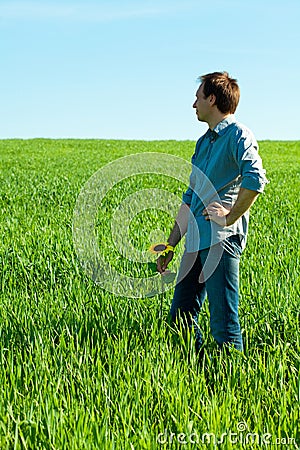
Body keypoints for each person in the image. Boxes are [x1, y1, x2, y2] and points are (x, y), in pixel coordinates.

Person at [156, 71, 268, 354]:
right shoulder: (203, 143)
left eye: (197, 98)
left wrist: (230, 216)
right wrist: (171, 244)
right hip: (195, 244)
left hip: (220, 240)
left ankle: (232, 387)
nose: (194, 105)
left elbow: (255, 180)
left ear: (212, 98)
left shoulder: (238, 135)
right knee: (179, 320)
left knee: (224, 327)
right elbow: (190, 197)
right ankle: (199, 374)